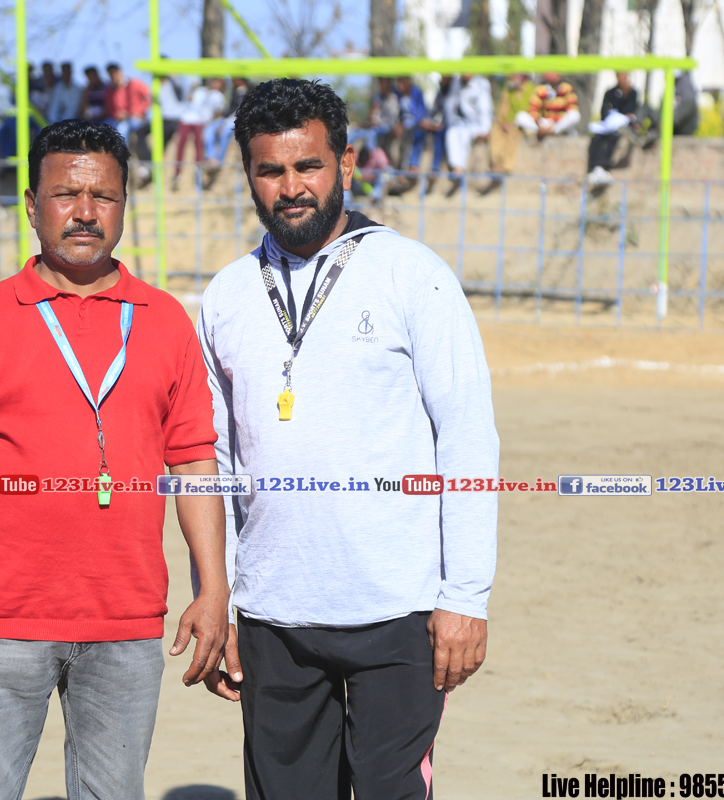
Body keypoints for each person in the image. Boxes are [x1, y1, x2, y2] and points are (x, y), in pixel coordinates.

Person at [0, 119, 230, 799]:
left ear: (124, 205)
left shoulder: (164, 320)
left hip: (126, 623)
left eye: (103, 196)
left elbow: (194, 461)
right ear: (31, 204)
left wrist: (214, 587)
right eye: (64, 194)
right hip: (1, 622)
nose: (84, 212)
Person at [198, 78, 499, 800]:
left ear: (348, 163)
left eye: (309, 166)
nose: (291, 188)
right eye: (270, 170)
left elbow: (466, 438)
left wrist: (467, 597)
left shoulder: (412, 275)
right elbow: (216, 460)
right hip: (272, 613)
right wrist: (221, 596)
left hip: (398, 612)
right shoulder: (226, 295)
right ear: (248, 174)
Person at [586, 71, 639, 186]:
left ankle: (604, 166)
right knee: (596, 138)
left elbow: (631, 112)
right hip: (608, 125)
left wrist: (625, 93)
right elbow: (604, 111)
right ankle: (595, 167)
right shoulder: (610, 93)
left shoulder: (632, 93)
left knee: (613, 139)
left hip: (622, 127)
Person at [445, 73, 494, 194]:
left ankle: (460, 170)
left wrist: (485, 129)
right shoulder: (456, 83)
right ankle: (457, 169)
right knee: (452, 133)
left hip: (477, 124)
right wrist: (452, 122)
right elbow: (450, 106)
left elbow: (485, 109)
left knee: (464, 136)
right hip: (460, 123)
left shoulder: (482, 83)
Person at [487, 73, 537, 190]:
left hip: (524, 124)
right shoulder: (508, 91)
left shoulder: (532, 90)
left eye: (513, 75)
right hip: (508, 123)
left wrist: (514, 124)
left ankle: (506, 166)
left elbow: (532, 110)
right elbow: (502, 111)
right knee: (496, 130)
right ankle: (496, 163)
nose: (511, 78)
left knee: (513, 134)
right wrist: (503, 123)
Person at [175, 76, 225, 187]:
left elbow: (218, 114)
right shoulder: (199, 90)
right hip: (186, 119)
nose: (216, 83)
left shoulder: (219, 97)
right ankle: (177, 172)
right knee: (181, 144)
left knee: (199, 147)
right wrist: (192, 89)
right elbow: (188, 99)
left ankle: (198, 173)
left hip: (202, 122)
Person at [518, 72, 580, 138]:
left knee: (575, 115)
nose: (552, 75)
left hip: (559, 123)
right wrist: (539, 123)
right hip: (544, 123)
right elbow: (533, 109)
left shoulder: (567, 88)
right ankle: (542, 131)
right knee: (520, 116)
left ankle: (553, 131)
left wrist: (554, 124)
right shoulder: (540, 89)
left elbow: (572, 108)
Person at [104, 62, 152, 145]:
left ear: (120, 72)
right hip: (117, 119)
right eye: (110, 74)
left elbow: (150, 97)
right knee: (102, 128)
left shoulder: (134, 83)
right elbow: (109, 107)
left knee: (122, 129)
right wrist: (116, 114)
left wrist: (140, 111)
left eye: (114, 73)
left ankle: (122, 152)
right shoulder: (110, 90)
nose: (113, 76)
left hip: (135, 118)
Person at [347, 76, 399, 153]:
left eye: (384, 83)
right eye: (381, 83)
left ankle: (371, 157)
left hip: (386, 126)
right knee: (354, 132)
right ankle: (345, 154)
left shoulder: (393, 98)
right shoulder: (378, 98)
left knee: (371, 134)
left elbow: (392, 119)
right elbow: (371, 117)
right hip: (373, 126)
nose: (382, 86)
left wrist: (377, 123)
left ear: (388, 85)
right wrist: (372, 110)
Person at [205, 77, 247, 170]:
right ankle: (211, 157)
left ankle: (220, 160)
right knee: (209, 130)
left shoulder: (246, 93)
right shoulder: (233, 91)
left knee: (224, 133)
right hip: (226, 119)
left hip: (236, 120)